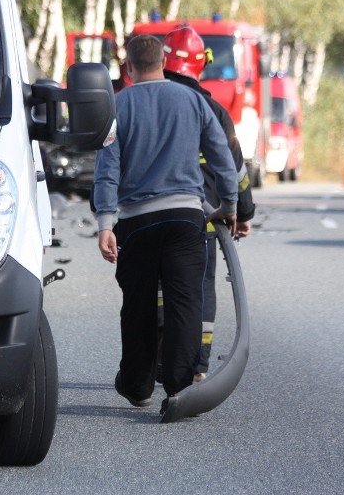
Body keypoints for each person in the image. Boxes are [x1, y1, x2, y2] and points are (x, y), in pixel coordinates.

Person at [93, 34, 238, 416]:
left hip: (136, 222)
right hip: (186, 218)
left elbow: (108, 168)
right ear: (163, 61)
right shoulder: (192, 100)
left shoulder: (117, 105)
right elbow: (220, 152)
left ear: (128, 67)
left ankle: (138, 386)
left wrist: (106, 222)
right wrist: (229, 203)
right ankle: (178, 388)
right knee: (185, 301)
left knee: (137, 304)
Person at [157, 24, 256, 382]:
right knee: (200, 286)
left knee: (157, 287)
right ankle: (198, 365)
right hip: (207, 218)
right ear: (202, 64)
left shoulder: (144, 103)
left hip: (151, 214)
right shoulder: (214, 111)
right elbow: (235, 169)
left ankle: (157, 357)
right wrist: (241, 212)